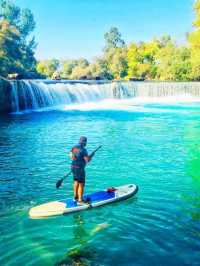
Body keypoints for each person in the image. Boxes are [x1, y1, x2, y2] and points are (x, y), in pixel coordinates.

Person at [69, 136, 91, 204]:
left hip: (73, 167)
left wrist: (77, 159)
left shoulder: (74, 147)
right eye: (85, 142)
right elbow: (87, 160)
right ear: (84, 142)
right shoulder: (84, 150)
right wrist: (90, 156)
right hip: (80, 169)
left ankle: (75, 197)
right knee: (81, 184)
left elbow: (70, 156)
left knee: (75, 181)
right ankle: (80, 200)